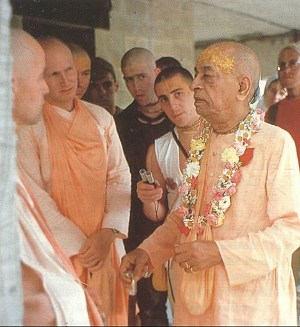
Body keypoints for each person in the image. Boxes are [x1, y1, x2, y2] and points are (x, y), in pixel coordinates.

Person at [120, 41, 300, 326]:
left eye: (207, 75)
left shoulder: (275, 143)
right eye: (197, 74)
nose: (196, 86)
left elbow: (291, 229)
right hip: (196, 301)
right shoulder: (203, 142)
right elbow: (185, 214)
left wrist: (220, 253)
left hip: (251, 305)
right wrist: (148, 251)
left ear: (242, 87)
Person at [16, 35, 131, 326]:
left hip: (107, 244)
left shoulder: (100, 117)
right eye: (54, 74)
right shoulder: (29, 125)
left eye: (70, 70)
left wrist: (108, 233)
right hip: (63, 250)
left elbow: (119, 176)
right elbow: (36, 197)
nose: (67, 81)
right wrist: (84, 247)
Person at [136, 65, 205, 317]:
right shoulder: (159, 149)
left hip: (219, 246)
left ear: (194, 90)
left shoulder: (223, 137)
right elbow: (157, 214)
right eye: (164, 99)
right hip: (180, 249)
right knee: (185, 316)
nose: (172, 104)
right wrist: (149, 199)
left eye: (178, 94)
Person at [115, 47, 174, 326]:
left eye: (141, 76)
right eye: (128, 79)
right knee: (150, 309)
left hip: (183, 223)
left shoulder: (179, 115)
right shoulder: (120, 124)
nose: (135, 86)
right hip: (140, 227)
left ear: (156, 72)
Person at [265, 41, 300, 318]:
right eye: (282, 65)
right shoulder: (273, 113)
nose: (287, 69)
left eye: (293, 63)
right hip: (288, 207)